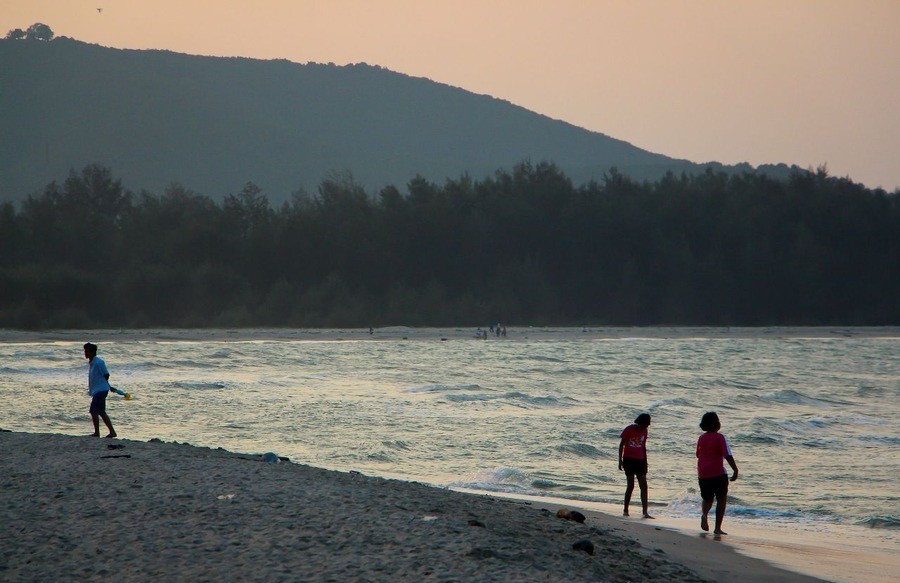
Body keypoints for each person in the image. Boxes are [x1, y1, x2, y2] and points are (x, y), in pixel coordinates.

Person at [696, 411, 738, 534]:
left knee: (707, 498)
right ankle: (717, 528)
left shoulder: (701, 438)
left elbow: (698, 455)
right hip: (718, 473)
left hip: (703, 473)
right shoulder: (720, 437)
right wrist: (735, 470)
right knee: (721, 499)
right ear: (717, 424)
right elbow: (727, 455)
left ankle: (704, 515)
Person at [618, 413, 653, 518]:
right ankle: (625, 510)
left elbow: (643, 447)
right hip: (629, 460)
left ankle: (645, 512)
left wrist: (645, 461)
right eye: (645, 425)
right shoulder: (629, 429)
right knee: (630, 485)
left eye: (647, 425)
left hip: (640, 460)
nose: (646, 427)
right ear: (640, 422)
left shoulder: (645, 431)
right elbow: (621, 445)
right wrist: (620, 460)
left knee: (644, 485)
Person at [83, 342, 117, 438]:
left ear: (92, 352)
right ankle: (112, 432)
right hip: (98, 390)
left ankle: (97, 433)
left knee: (93, 411)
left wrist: (108, 386)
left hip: (101, 390)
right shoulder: (92, 363)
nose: (85, 353)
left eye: (87, 351)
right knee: (101, 412)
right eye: (85, 351)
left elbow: (106, 375)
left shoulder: (99, 362)